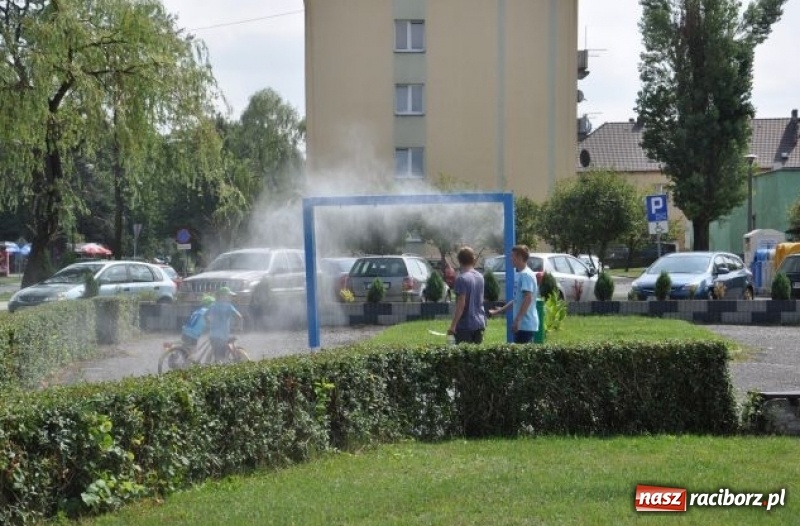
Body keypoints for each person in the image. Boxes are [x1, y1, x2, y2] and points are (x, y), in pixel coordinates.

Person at [488, 244, 539, 344]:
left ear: (519, 257)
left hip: (525, 325)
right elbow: (517, 300)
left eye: (512, 256)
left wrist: (518, 320)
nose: (510, 258)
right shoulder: (522, 274)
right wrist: (499, 311)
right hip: (524, 325)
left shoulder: (526, 275)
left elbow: (528, 298)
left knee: (521, 358)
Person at [447, 246, 486, 344]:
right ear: (473, 260)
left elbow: (461, 305)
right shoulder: (480, 277)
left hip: (465, 326)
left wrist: (453, 326)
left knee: (464, 357)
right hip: (480, 323)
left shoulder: (461, 279)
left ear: (459, 261)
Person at [205, 286, 244, 362]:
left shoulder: (212, 305)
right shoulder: (228, 306)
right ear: (222, 296)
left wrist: (209, 324)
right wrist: (239, 328)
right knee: (221, 359)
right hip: (223, 336)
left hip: (213, 336)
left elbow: (205, 316)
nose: (230, 298)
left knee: (217, 356)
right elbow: (239, 317)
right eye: (228, 296)